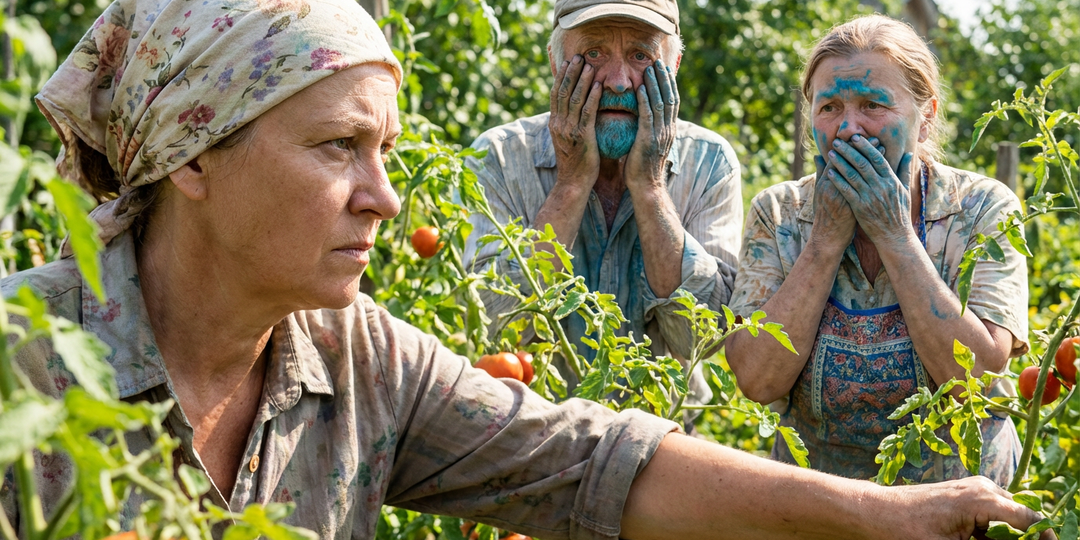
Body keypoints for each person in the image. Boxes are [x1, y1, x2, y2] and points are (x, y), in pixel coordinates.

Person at [1, 0, 1052, 538]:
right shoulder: (24, 366)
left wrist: (887, 514)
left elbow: (592, 459)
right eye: (338, 148)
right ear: (192, 157)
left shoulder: (361, 361)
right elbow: (516, 327)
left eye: (385, 151)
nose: (386, 198)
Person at [726, 14, 1028, 485]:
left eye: (873, 105)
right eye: (830, 107)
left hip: (958, 498)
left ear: (925, 117)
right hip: (819, 502)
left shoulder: (981, 209)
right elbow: (757, 380)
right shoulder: (780, 214)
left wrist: (894, 235)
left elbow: (978, 377)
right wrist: (824, 243)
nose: (849, 129)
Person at [463, 0, 741, 379]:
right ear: (555, 63)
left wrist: (650, 187)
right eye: (594, 53)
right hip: (537, 415)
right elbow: (492, 327)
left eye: (641, 56)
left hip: (661, 418)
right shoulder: (498, 158)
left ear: (673, 67)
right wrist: (571, 184)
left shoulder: (710, 163)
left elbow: (703, 341)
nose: (618, 81)